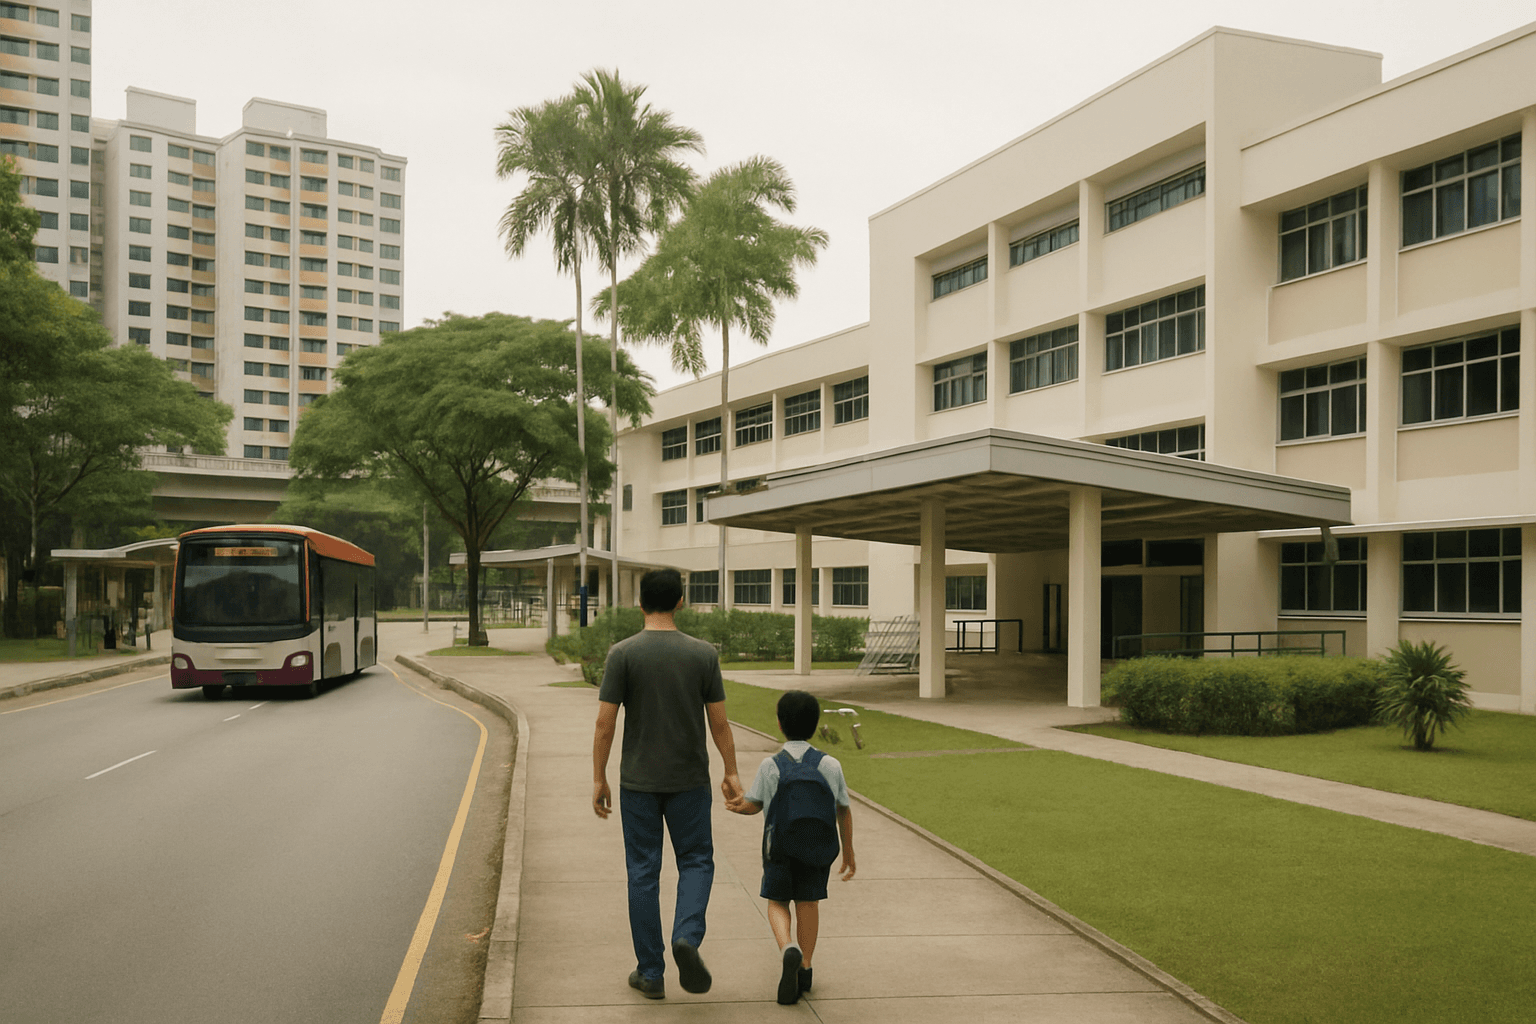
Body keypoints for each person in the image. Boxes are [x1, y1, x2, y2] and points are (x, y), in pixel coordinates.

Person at [592, 568, 743, 1000]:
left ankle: (651, 972)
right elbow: (719, 723)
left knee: (642, 872)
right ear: (681, 601)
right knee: (696, 861)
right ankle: (687, 938)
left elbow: (605, 723)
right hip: (689, 781)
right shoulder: (702, 654)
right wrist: (730, 770)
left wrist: (598, 776)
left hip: (637, 783)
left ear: (640, 604)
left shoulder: (623, 653)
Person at [727, 690, 857, 1005]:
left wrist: (736, 802)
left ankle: (788, 946)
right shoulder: (830, 764)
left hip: (779, 849)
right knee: (808, 903)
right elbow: (843, 809)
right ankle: (806, 967)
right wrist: (848, 851)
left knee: (777, 902)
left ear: (780, 724)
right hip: (816, 848)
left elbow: (753, 806)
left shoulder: (771, 765)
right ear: (814, 726)